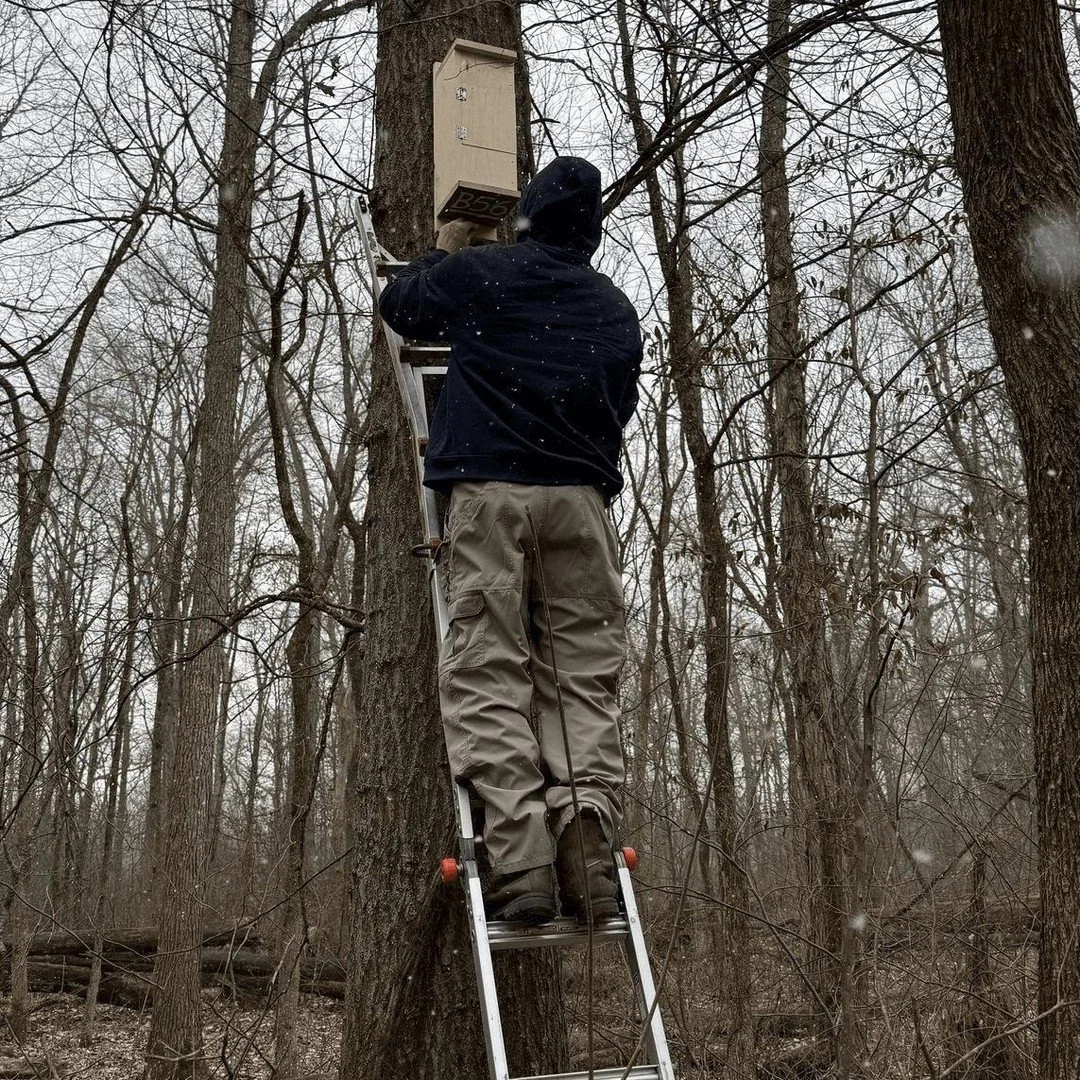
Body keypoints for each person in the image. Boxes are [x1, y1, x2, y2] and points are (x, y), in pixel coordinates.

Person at [379, 156, 642, 923]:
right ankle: (587, 849)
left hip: (492, 493)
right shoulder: (614, 307)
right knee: (583, 676)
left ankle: (522, 861)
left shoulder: (487, 273)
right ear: (589, 232)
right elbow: (615, 404)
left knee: (490, 667)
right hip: (580, 502)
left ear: (526, 214)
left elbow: (403, 306)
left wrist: (447, 254)